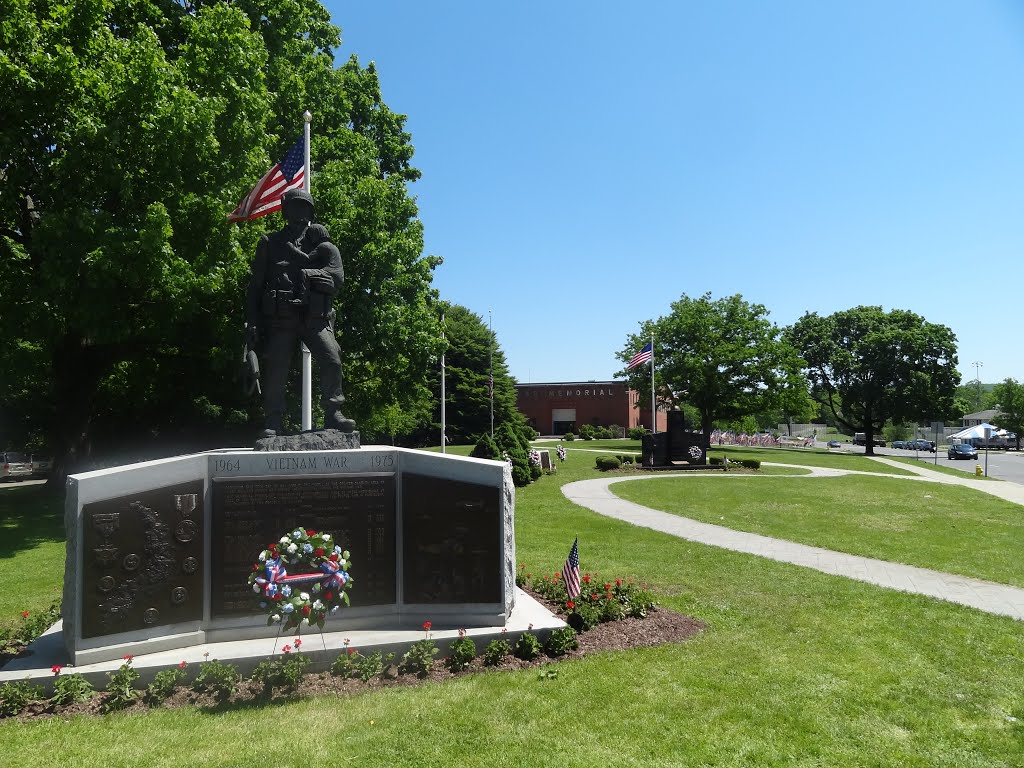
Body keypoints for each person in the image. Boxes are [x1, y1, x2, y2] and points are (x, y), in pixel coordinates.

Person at [245, 189, 355, 437]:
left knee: (332, 359)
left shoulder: (321, 243)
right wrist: (251, 321)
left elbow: (336, 278)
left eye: (305, 208)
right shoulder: (269, 243)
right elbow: (255, 286)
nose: (300, 213)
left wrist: (327, 282)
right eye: (296, 207)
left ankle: (333, 412)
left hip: (314, 317)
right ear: (286, 211)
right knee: (277, 366)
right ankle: (273, 418)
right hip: (281, 316)